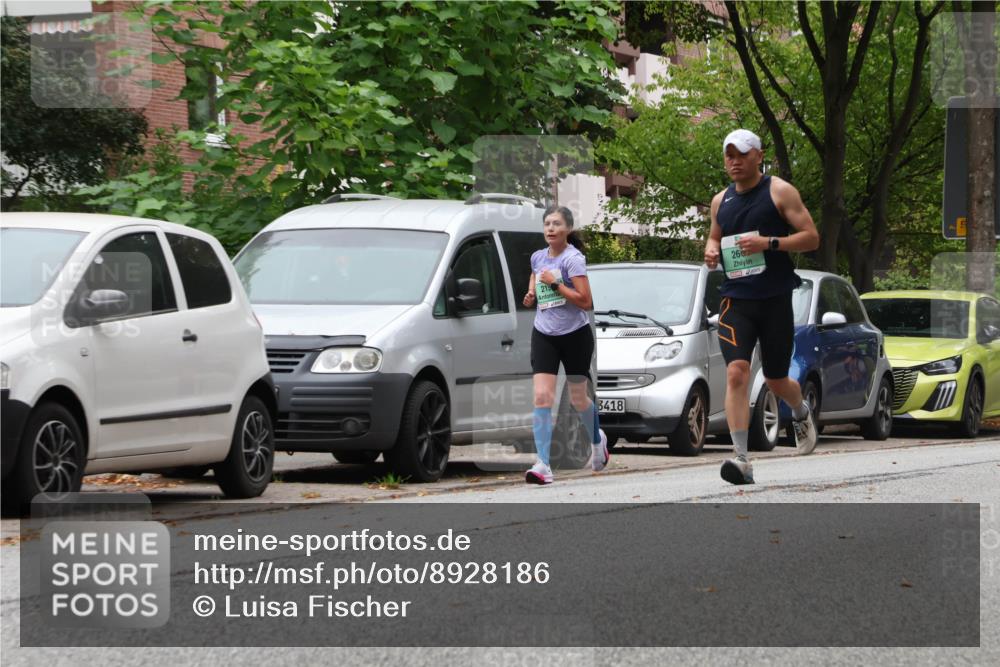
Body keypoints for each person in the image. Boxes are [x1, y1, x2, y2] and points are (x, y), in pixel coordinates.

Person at [704, 129, 821, 485]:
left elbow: (812, 238)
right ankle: (741, 459)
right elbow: (714, 235)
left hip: (773, 299)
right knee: (737, 371)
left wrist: (769, 243)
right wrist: (710, 249)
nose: (734, 161)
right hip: (735, 300)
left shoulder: (779, 191)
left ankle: (800, 412)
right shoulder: (719, 200)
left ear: (759, 155)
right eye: (728, 155)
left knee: (775, 377)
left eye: (741, 154)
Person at [522, 205, 608, 484]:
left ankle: (597, 442)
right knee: (542, 397)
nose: (550, 229)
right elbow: (536, 272)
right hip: (544, 333)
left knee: (578, 399)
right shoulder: (538, 256)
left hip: (575, 335)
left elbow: (585, 301)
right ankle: (543, 464)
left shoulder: (573, 260)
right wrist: (532, 291)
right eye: (547, 224)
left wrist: (556, 285)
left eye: (556, 224)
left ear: (567, 229)